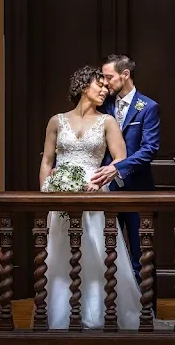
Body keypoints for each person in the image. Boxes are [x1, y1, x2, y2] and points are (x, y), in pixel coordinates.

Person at [38, 65, 143, 330]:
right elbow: (47, 161)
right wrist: (46, 195)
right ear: (84, 86)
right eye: (100, 85)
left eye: (107, 86)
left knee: (97, 253)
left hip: (94, 193)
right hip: (61, 197)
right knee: (61, 255)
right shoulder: (56, 121)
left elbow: (121, 158)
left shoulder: (107, 122)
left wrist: (103, 178)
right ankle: (61, 317)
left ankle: (98, 316)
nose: (105, 90)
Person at [90, 54, 160, 314]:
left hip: (137, 190)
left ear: (125, 75)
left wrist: (117, 168)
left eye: (109, 77)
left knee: (142, 253)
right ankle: (114, 310)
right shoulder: (102, 105)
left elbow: (149, 149)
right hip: (105, 191)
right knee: (107, 252)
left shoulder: (148, 107)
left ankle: (146, 312)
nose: (105, 83)